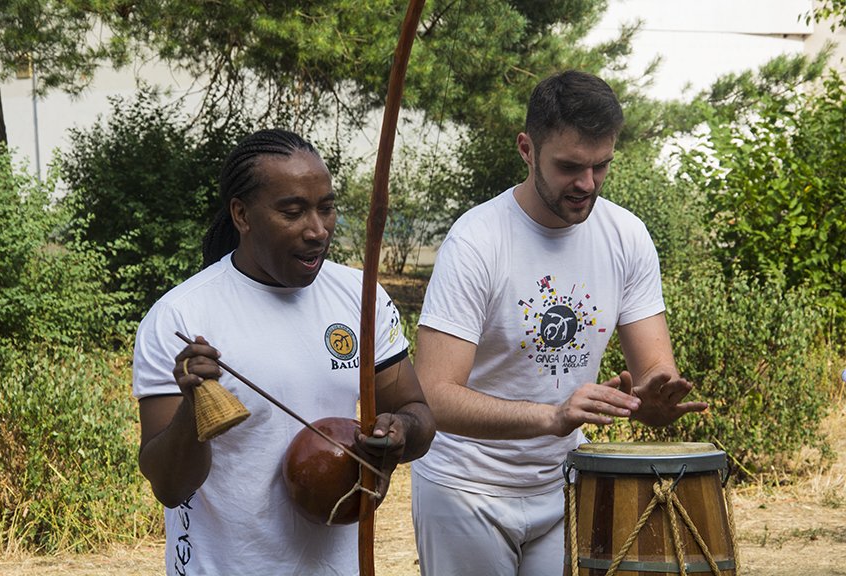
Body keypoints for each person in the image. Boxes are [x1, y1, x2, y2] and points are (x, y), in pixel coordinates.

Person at [410, 70, 708, 576]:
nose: (586, 185)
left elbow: (655, 371)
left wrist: (651, 402)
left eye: (601, 167)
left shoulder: (627, 236)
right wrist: (552, 416)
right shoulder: (477, 240)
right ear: (527, 149)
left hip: (565, 483)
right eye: (570, 167)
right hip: (466, 490)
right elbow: (433, 396)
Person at [132, 128, 435, 576]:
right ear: (242, 214)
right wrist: (193, 408)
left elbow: (418, 416)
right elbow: (170, 486)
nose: (317, 230)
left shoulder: (359, 296)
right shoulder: (181, 317)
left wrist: (399, 432)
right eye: (292, 212)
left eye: (327, 208)